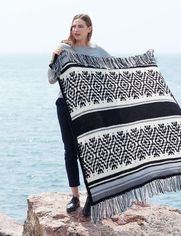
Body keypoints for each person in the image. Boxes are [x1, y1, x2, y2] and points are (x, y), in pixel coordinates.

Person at [48, 14, 110, 217]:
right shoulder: (64, 48)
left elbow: (112, 74)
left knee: (90, 151)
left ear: (89, 29)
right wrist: (53, 59)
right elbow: (51, 79)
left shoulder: (98, 51)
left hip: (88, 108)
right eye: (73, 26)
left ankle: (92, 196)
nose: (76, 29)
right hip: (65, 105)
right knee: (70, 150)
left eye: (80, 26)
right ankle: (74, 196)